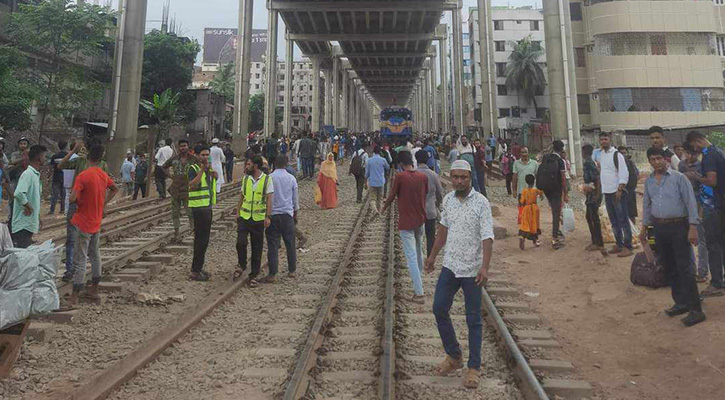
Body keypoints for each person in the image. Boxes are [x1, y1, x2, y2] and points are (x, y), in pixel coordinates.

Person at [424, 159, 494, 390]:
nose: (458, 181)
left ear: (470, 178)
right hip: (451, 266)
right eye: (455, 177)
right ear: (451, 177)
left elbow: (487, 237)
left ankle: (474, 367)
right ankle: (454, 355)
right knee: (439, 308)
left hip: (472, 268)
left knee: (473, 318)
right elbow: (442, 232)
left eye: (463, 177)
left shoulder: (481, 203)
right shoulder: (448, 201)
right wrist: (433, 256)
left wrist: (484, 266)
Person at [641, 147, 705, 327]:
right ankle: (681, 302)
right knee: (670, 267)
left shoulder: (679, 178)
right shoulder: (649, 182)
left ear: (666, 160)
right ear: (649, 161)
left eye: (659, 158)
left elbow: (690, 203)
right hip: (659, 227)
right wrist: (644, 228)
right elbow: (647, 205)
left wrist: (693, 227)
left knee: (685, 268)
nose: (656, 162)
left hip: (679, 226)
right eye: (652, 159)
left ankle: (696, 310)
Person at [66, 144, 118, 304]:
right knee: (95, 256)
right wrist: (103, 203)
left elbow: (72, 198)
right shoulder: (102, 174)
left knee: (80, 258)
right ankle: (94, 289)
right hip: (96, 220)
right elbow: (114, 189)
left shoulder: (83, 175)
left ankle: (75, 295)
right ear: (101, 157)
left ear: (88, 156)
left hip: (83, 221)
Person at [57, 140, 109, 281]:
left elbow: (105, 186)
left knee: (81, 241)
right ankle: (72, 270)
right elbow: (60, 166)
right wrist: (73, 152)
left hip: (85, 205)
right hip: (80, 205)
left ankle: (75, 272)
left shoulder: (100, 165)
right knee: (75, 239)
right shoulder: (80, 161)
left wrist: (103, 204)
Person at [381, 150, 428, 304]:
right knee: (419, 249)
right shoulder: (423, 177)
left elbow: (392, 195)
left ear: (401, 164)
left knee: (411, 256)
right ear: (412, 162)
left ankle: (419, 293)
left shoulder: (400, 177)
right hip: (420, 219)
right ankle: (419, 279)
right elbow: (425, 194)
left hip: (406, 221)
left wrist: (383, 209)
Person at [685, 131, 725, 297]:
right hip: (719, 205)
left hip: (713, 206)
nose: (695, 149)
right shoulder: (719, 151)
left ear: (697, 141)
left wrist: (696, 177)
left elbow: (712, 181)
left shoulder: (709, 156)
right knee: (721, 243)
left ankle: (716, 283)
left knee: (713, 245)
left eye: (693, 146)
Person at [235, 155, 274, 288]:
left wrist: (268, 216)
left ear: (256, 166)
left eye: (249, 164)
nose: (246, 167)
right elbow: (242, 196)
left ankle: (253, 274)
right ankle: (242, 263)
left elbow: (269, 199)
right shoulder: (246, 179)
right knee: (240, 242)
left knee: (256, 248)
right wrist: (237, 212)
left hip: (258, 219)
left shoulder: (267, 180)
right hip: (244, 217)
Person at [263, 155, 299, 282]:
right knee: (290, 243)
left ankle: (272, 274)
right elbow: (295, 198)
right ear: (286, 164)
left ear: (274, 164)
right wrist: (295, 213)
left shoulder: (269, 178)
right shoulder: (291, 178)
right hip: (287, 215)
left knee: (272, 244)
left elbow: (265, 197)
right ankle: (292, 271)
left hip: (272, 215)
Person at [598, 133, 633, 257]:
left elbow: (624, 173)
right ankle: (619, 244)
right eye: (601, 139)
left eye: (606, 139)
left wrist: (620, 189)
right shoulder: (601, 155)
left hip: (617, 193)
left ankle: (628, 246)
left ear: (610, 140)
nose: (603, 141)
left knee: (623, 220)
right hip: (607, 193)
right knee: (614, 221)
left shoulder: (616, 155)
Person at [678, 146, 708, 282]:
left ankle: (702, 272)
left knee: (701, 239)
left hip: (698, 203)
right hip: (683, 204)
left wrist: (697, 177)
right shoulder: (681, 165)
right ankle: (690, 270)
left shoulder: (701, 166)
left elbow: (705, 187)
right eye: (687, 153)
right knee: (685, 238)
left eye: (693, 154)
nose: (690, 156)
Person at [187, 146, 217, 281]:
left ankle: (199, 267)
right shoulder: (193, 168)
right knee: (200, 240)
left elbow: (211, 183)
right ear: (197, 156)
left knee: (204, 240)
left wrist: (212, 174)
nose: (206, 157)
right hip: (199, 208)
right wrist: (202, 170)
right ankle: (195, 270)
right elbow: (192, 184)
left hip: (206, 206)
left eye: (207, 155)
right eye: (203, 155)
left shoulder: (207, 169)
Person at [11, 145, 46, 248]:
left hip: (28, 223)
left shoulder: (34, 175)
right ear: (39, 158)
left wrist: (37, 216)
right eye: (44, 156)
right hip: (23, 224)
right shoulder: (28, 174)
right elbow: (18, 193)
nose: (45, 159)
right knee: (24, 257)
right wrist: (28, 206)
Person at [537, 140, 568, 249]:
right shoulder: (560, 161)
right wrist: (566, 193)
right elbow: (563, 179)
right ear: (561, 149)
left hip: (546, 188)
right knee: (556, 212)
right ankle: (555, 238)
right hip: (556, 189)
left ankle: (557, 231)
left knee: (554, 209)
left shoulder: (546, 158)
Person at [162, 139, 197, 238]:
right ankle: (176, 232)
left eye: (185, 145)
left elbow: (200, 168)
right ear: (178, 147)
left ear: (188, 146)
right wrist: (171, 176)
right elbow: (163, 166)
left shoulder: (193, 159)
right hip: (176, 188)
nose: (183, 148)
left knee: (190, 211)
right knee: (175, 212)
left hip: (188, 188)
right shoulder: (174, 159)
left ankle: (193, 230)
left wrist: (195, 180)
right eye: (181, 146)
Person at [416, 150, 444, 257]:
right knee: (430, 236)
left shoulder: (413, 174)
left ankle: (419, 258)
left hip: (416, 211)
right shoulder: (433, 175)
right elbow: (439, 192)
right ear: (427, 160)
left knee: (417, 237)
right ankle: (430, 258)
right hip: (430, 210)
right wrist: (437, 203)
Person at [582, 144, 605, 253]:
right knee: (590, 217)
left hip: (593, 194)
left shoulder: (588, 163)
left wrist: (597, 194)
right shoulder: (592, 161)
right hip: (592, 193)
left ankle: (598, 243)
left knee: (592, 217)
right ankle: (595, 241)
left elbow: (597, 178)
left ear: (584, 152)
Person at [518, 174, 543, 250]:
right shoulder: (535, 190)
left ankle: (522, 237)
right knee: (534, 224)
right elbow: (541, 193)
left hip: (526, 208)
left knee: (526, 224)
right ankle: (535, 241)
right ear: (534, 181)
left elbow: (522, 201)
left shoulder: (524, 191)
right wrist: (541, 196)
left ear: (526, 181)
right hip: (534, 208)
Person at [618, 146, 640, 224]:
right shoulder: (617, 165)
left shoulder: (631, 163)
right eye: (621, 153)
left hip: (630, 192)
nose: (623, 155)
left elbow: (637, 175)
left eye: (624, 153)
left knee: (632, 213)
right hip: (620, 192)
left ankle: (633, 231)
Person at [366, 146, 390, 213]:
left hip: (372, 181)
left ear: (373, 152)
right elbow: (388, 167)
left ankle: (375, 210)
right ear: (379, 152)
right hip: (381, 181)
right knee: (380, 198)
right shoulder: (383, 160)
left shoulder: (369, 160)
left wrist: (365, 180)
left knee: (372, 198)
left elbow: (367, 172)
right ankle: (379, 212)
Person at [49, 141, 68, 215]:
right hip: (64, 177)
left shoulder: (55, 156)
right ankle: (62, 210)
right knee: (63, 195)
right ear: (66, 146)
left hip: (56, 177)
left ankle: (52, 210)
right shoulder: (67, 156)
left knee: (54, 195)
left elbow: (51, 167)